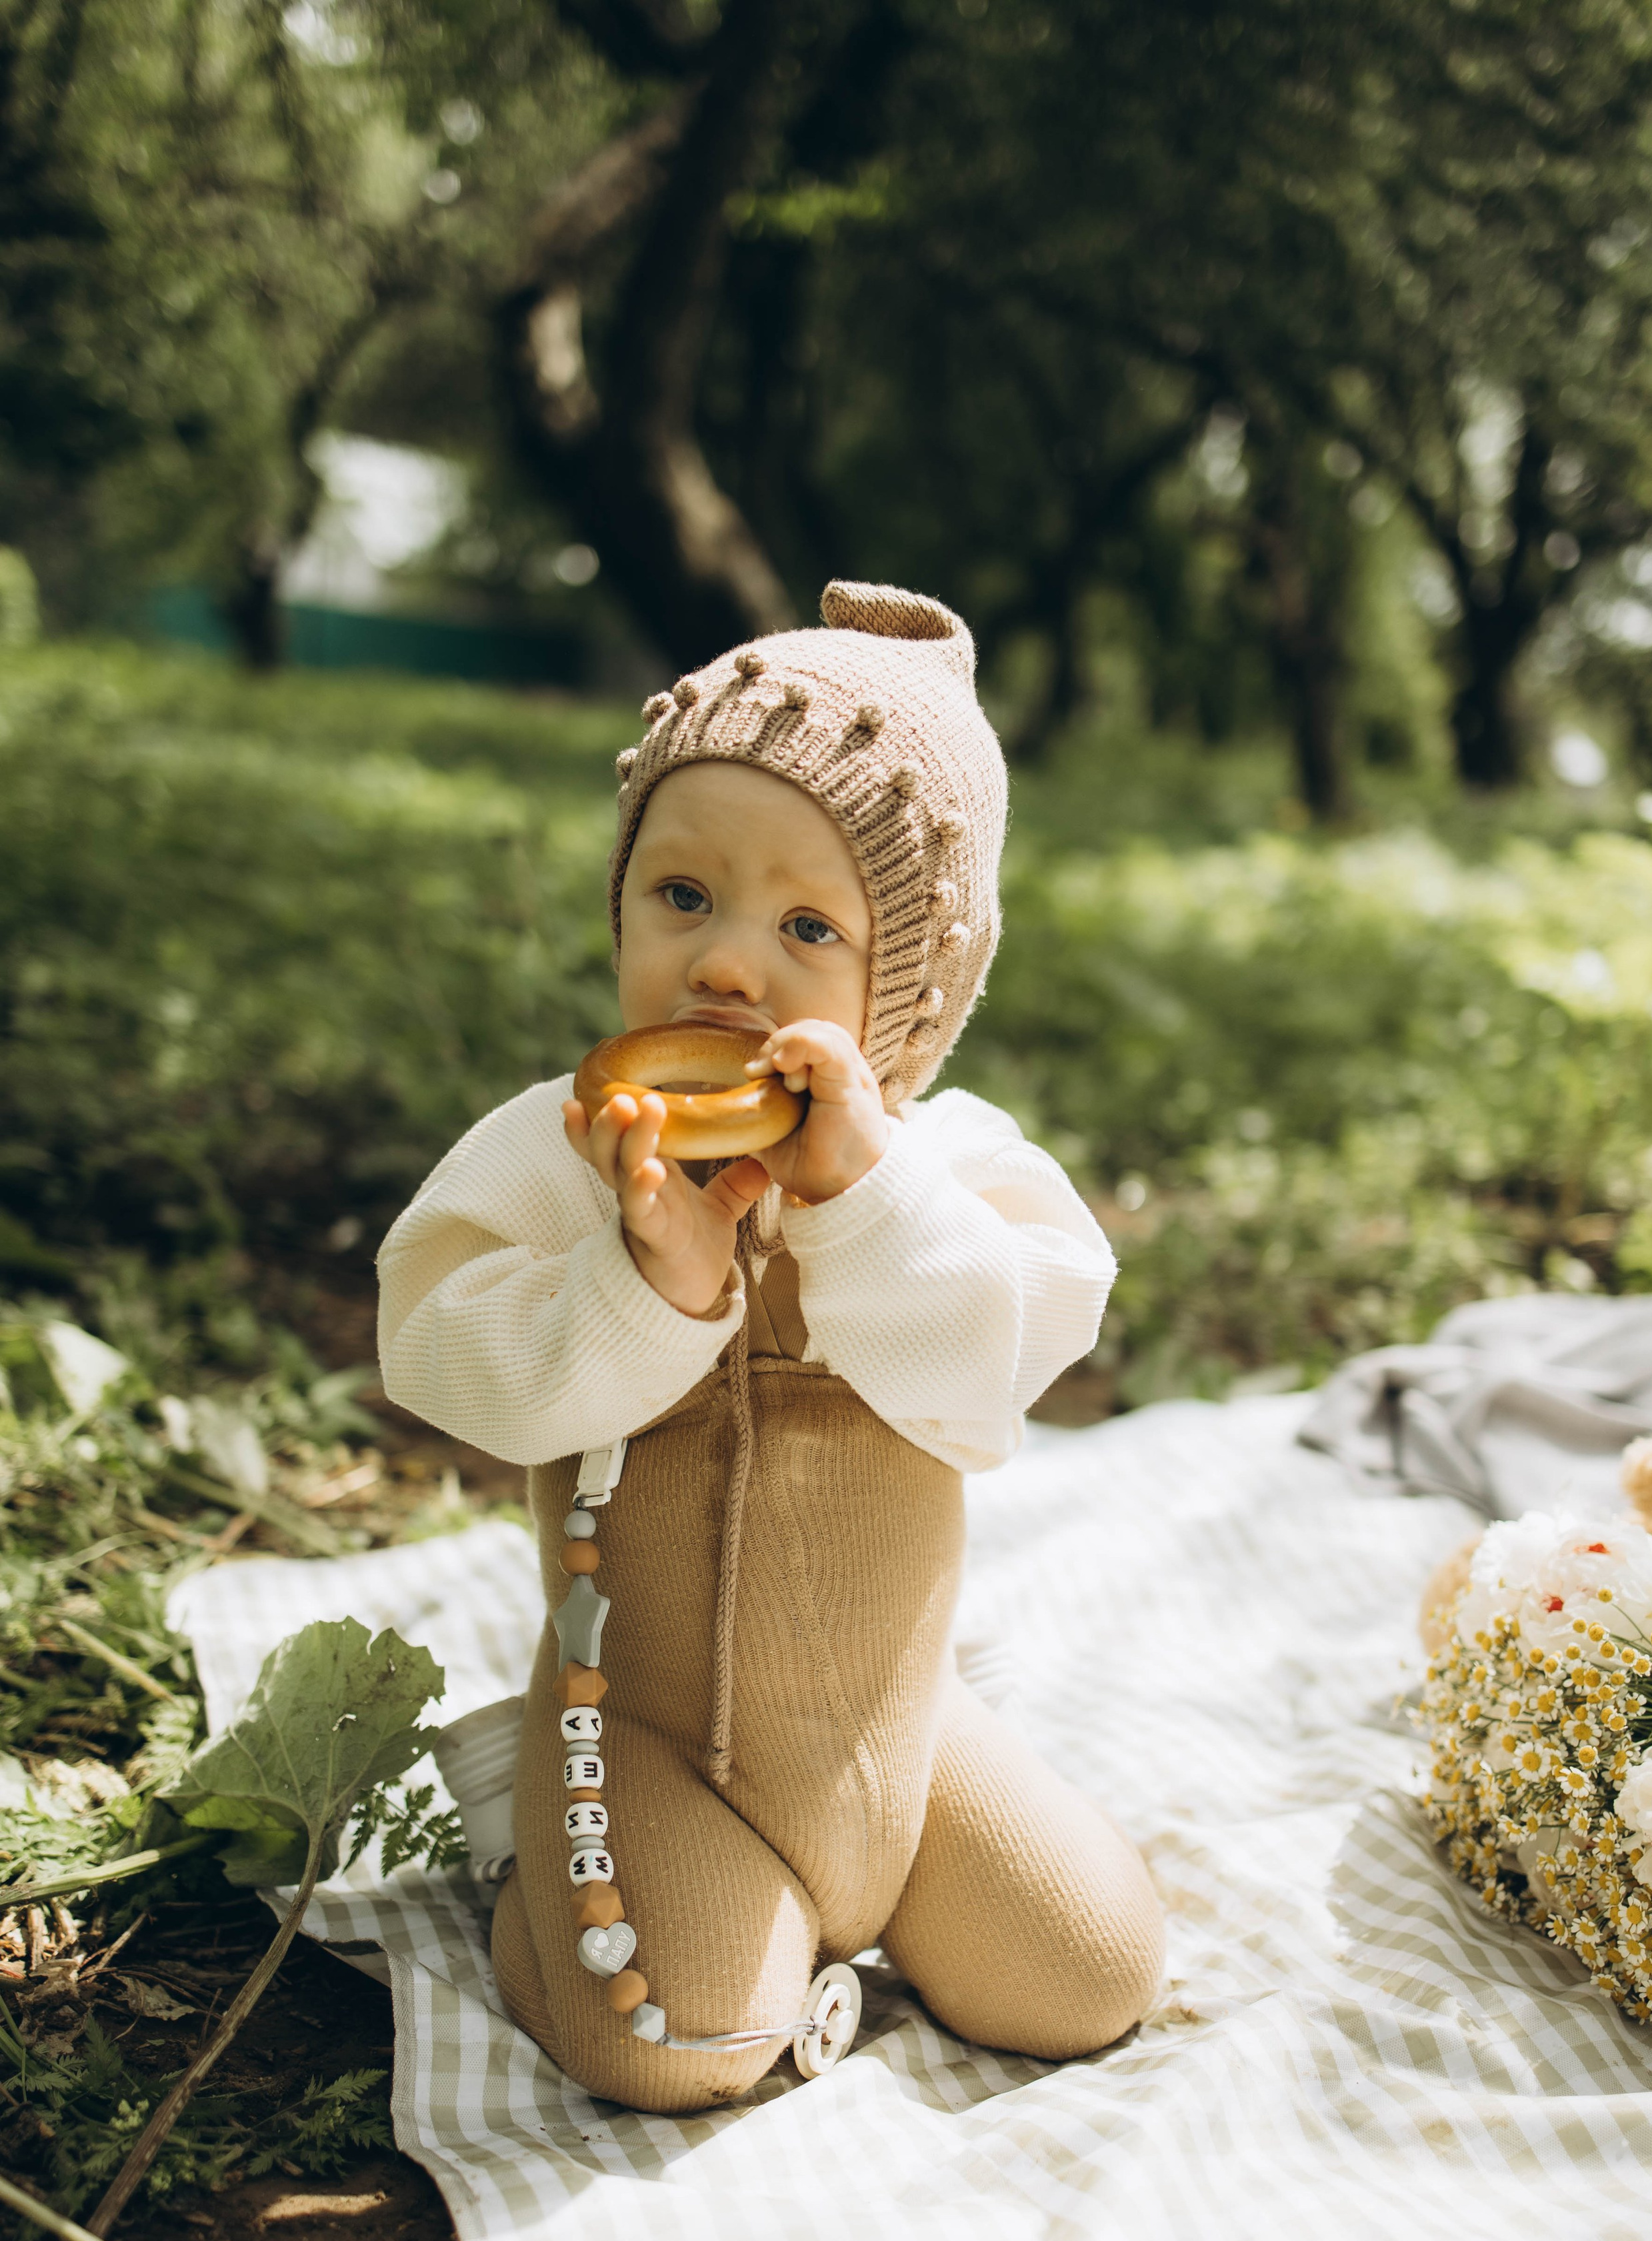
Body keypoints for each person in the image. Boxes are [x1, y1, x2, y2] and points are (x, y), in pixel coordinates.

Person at [377, 581, 1165, 2111]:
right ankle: (539, 1854)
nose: (729, 965)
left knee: (1091, 1974)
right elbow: (436, 1351)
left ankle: (853, 1879)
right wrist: (641, 1285)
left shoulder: (957, 1167)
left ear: (915, 985)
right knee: (675, 2045)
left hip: (892, 1728)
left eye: (807, 925)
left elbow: (1002, 1355)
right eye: (683, 898)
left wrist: (866, 1206)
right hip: (653, 1724)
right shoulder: (560, 1152)